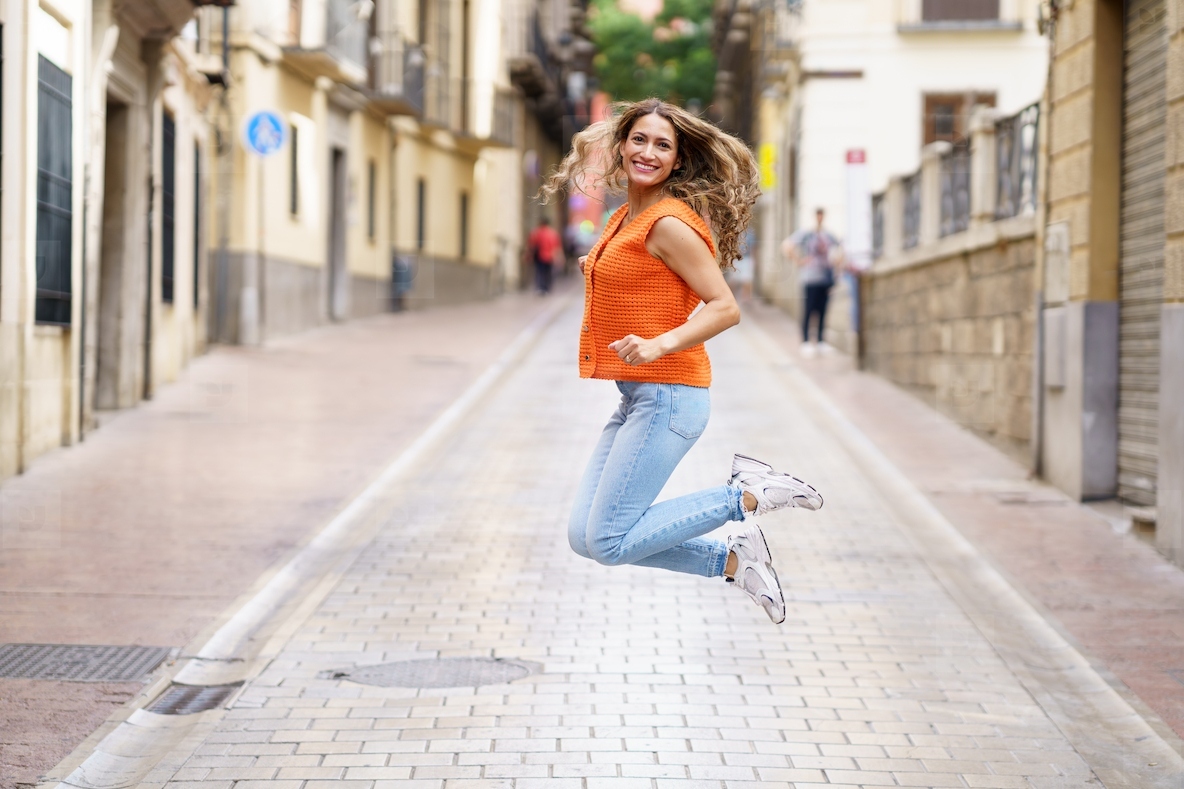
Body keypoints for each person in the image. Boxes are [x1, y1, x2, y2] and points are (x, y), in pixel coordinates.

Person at [541, 98, 824, 624]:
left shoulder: (669, 222)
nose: (648, 152)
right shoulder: (625, 216)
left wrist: (660, 344)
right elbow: (644, 277)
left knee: (607, 539)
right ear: (622, 145)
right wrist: (598, 266)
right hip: (637, 398)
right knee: (586, 537)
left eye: (663, 145)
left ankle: (746, 497)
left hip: (669, 398)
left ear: (677, 160)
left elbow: (724, 306)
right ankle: (736, 562)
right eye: (640, 140)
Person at [783, 208, 841, 357]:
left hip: (826, 277)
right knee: (809, 310)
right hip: (810, 278)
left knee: (823, 310)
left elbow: (839, 250)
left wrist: (836, 267)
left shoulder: (828, 235)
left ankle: (820, 341)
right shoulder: (807, 234)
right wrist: (799, 261)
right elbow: (787, 245)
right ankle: (806, 341)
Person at [527, 215, 562, 294]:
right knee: (548, 273)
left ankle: (541, 288)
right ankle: (547, 287)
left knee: (540, 272)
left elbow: (532, 244)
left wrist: (529, 255)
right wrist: (558, 258)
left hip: (540, 257)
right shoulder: (553, 233)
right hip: (550, 257)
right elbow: (556, 247)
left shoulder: (537, 232)